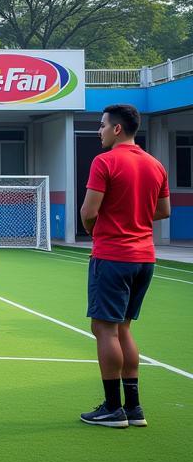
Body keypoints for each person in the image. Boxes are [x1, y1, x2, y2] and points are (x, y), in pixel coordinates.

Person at [79, 104, 169, 428]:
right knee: (124, 328)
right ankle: (134, 407)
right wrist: (135, 214)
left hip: (113, 255)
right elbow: (163, 210)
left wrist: (96, 230)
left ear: (117, 129)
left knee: (103, 329)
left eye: (102, 126)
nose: (99, 131)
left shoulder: (104, 161)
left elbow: (88, 211)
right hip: (145, 258)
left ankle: (112, 408)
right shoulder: (156, 164)